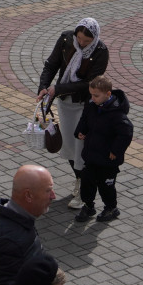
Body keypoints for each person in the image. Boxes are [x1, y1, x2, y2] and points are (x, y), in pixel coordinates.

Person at [37, 18, 109, 208]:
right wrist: (43, 86)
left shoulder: (101, 51)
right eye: (79, 38)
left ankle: (85, 191)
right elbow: (51, 64)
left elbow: (90, 84)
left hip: (85, 105)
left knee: (82, 148)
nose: (82, 43)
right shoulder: (66, 39)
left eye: (87, 41)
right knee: (69, 145)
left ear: (95, 38)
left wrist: (58, 89)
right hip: (65, 102)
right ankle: (80, 180)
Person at [0, 164, 56, 285]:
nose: (53, 196)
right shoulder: (7, 241)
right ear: (28, 195)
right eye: (48, 191)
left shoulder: (9, 219)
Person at [73, 74, 134, 224]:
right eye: (91, 95)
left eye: (96, 95)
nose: (92, 98)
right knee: (87, 182)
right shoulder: (91, 106)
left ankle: (111, 208)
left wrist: (115, 151)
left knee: (106, 186)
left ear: (108, 94)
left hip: (108, 159)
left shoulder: (117, 114)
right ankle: (88, 206)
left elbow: (126, 133)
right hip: (91, 155)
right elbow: (84, 119)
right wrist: (81, 130)